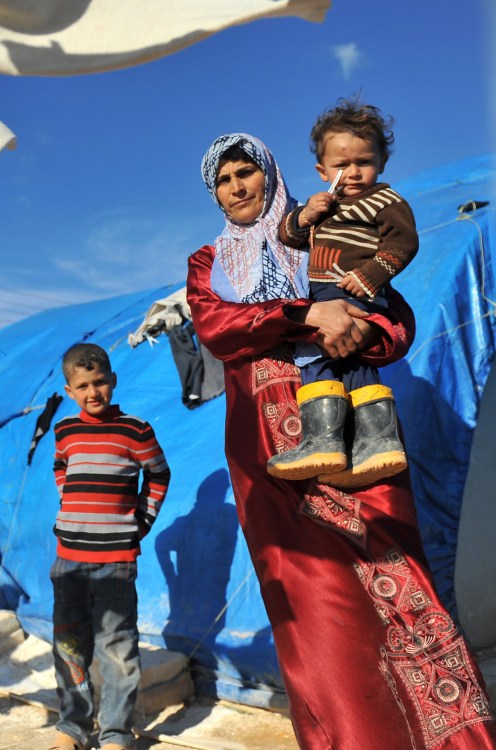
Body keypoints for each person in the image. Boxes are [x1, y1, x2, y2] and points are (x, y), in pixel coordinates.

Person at [187, 132, 495, 749]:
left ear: (270, 173)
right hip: (266, 459)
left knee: (399, 586)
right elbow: (218, 328)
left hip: (358, 447)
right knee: (313, 610)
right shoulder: (211, 260)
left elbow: (396, 320)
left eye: (246, 172)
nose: (237, 187)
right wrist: (306, 316)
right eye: (223, 180)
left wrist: (352, 322)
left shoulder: (326, 228)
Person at [269, 98, 417, 487]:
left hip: (355, 290)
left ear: (381, 164)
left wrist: (370, 275)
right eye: (341, 164)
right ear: (322, 171)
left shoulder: (386, 201)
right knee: (349, 362)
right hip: (326, 294)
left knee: (317, 354)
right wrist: (302, 217)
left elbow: (403, 244)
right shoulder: (326, 206)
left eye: (363, 162)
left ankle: (324, 440)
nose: (352, 172)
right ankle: (375, 442)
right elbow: (290, 238)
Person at [47, 343, 170, 750]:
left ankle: (116, 732)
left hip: (116, 559)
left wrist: (141, 523)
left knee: (116, 647)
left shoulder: (135, 430)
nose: (92, 392)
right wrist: (71, 506)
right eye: (82, 385)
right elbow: (61, 466)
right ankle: (73, 727)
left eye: (100, 382)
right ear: (69, 390)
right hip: (69, 559)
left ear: (113, 380)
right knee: (69, 643)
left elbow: (159, 474)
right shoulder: (64, 430)